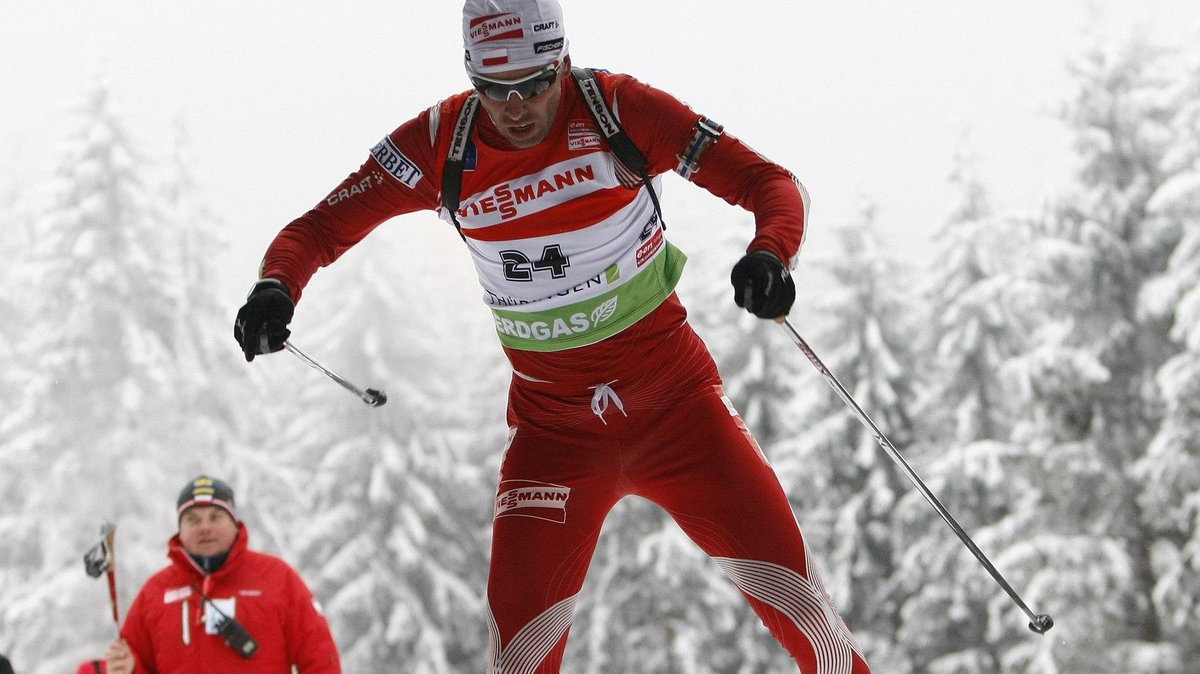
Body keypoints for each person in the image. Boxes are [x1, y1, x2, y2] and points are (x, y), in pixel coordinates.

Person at [233, 1, 871, 671]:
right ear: (470, 77)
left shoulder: (618, 110)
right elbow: (317, 228)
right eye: (493, 89)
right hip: (554, 437)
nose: (515, 107)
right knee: (516, 660)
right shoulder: (440, 142)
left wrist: (770, 253)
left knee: (816, 631)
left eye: (536, 83)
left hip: (681, 409)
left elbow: (769, 182)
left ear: (562, 62)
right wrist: (277, 285)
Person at [103, 477, 340, 674]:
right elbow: (130, 664)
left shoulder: (277, 578)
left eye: (216, 517)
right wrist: (129, 669)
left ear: (235, 523)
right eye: (193, 519)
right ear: (180, 530)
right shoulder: (156, 591)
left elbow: (320, 658)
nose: (204, 527)